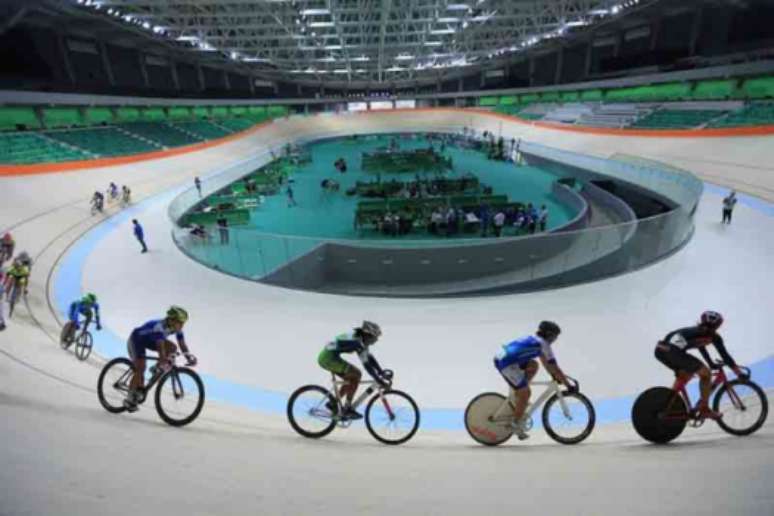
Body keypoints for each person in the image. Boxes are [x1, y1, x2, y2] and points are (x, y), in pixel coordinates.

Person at [655, 311, 745, 420]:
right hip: (672, 350)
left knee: (685, 373)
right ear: (718, 326)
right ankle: (704, 410)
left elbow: (700, 347)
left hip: (660, 349)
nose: (707, 329)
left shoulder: (696, 331)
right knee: (706, 374)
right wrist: (739, 373)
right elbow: (725, 356)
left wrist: (711, 363)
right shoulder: (712, 336)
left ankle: (668, 404)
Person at [493, 321, 572, 440]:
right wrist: (568, 385)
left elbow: (546, 363)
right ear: (549, 335)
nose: (556, 339)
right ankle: (515, 424)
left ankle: (519, 395)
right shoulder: (544, 344)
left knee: (533, 365)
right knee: (526, 393)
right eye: (555, 336)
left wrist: (555, 375)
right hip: (506, 363)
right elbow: (554, 367)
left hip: (507, 358)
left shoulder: (536, 340)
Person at [123, 306, 196, 412]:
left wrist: (189, 357)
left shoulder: (176, 328)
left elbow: (182, 344)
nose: (182, 325)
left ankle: (156, 369)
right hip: (136, 340)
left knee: (173, 348)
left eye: (183, 323)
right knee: (141, 368)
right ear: (172, 320)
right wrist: (162, 360)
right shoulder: (159, 326)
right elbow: (160, 348)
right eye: (180, 322)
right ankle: (129, 399)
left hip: (150, 340)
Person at [317, 321, 390, 420]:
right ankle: (347, 409)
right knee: (356, 374)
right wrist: (378, 379)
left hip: (331, 356)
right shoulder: (357, 342)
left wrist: (380, 371)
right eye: (375, 337)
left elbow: (369, 358)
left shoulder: (360, 341)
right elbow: (367, 365)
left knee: (353, 378)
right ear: (367, 335)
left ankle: (333, 402)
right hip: (328, 358)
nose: (376, 340)